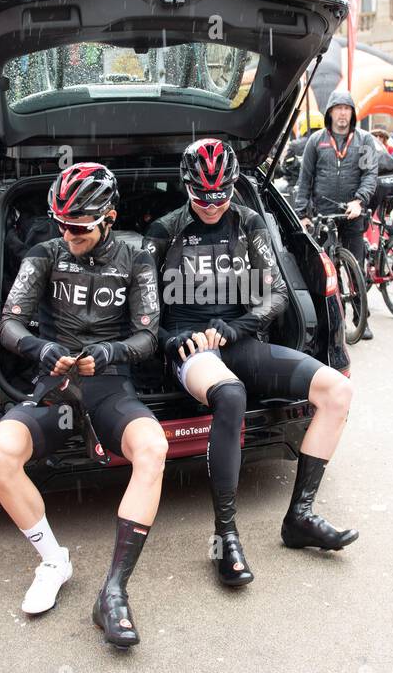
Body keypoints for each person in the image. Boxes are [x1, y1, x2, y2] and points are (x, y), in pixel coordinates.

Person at [144, 139, 357, 587]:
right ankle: (226, 537)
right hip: (190, 349)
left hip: (240, 337)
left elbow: (277, 293)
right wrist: (170, 338)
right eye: (201, 196)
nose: (212, 205)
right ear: (185, 187)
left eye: (222, 195)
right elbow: (143, 314)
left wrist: (238, 326)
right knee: (231, 394)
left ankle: (299, 517)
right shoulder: (164, 231)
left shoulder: (249, 221)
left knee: (337, 390)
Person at [0, 163, 166, 649]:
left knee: (153, 447)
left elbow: (149, 335)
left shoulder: (137, 256)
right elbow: (8, 324)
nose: (68, 234)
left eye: (79, 226)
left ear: (109, 217)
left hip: (109, 385)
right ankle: (52, 561)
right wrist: (43, 350)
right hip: (55, 383)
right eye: (60, 222)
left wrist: (109, 352)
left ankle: (113, 591)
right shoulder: (45, 253)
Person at [294, 90, 378, 338]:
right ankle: (332, 320)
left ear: (352, 113)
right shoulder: (316, 141)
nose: (342, 113)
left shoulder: (364, 141)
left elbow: (369, 175)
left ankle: (362, 319)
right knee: (325, 270)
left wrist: (359, 201)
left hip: (352, 213)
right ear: (329, 112)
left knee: (356, 269)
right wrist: (303, 213)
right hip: (323, 214)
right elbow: (305, 179)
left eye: (347, 108)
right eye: (338, 108)